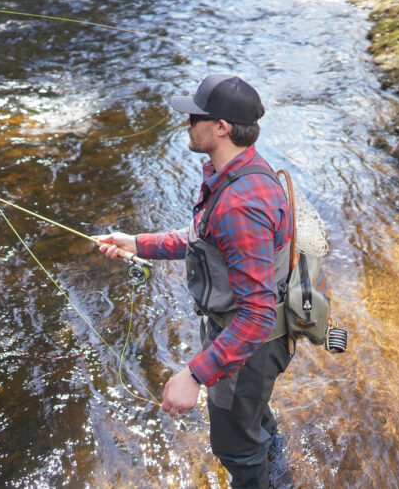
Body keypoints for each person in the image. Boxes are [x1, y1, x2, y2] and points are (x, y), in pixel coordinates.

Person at [96, 73, 293, 488]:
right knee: (250, 420)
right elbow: (204, 238)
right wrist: (137, 243)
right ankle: (275, 462)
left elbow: (256, 316)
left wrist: (194, 375)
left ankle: (260, 468)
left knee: (235, 448)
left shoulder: (241, 203)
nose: (186, 124)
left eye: (193, 118)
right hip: (251, 340)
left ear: (221, 127)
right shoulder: (240, 172)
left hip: (250, 344)